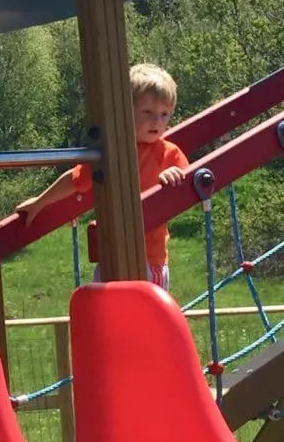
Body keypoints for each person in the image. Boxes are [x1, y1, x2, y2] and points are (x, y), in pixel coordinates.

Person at [17, 63, 189, 291]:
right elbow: (76, 178)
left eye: (164, 114)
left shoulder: (170, 153)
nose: (156, 121)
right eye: (147, 112)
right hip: (111, 255)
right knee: (109, 317)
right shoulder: (112, 153)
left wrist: (174, 176)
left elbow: (189, 184)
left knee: (145, 320)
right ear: (125, 112)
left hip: (149, 258)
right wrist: (40, 201)